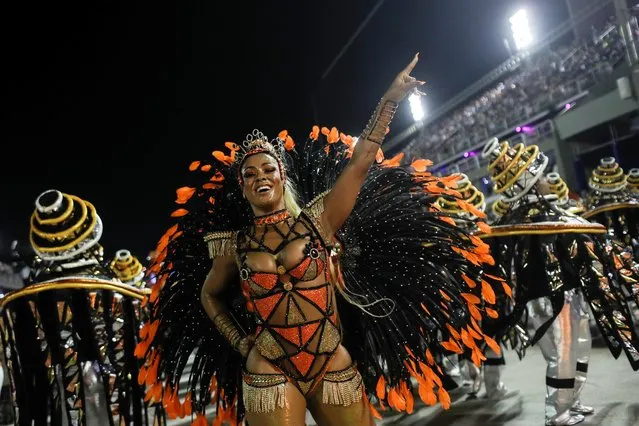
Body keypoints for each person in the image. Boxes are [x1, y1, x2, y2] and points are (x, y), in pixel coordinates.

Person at [136, 55, 509, 425]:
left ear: (283, 177)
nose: (260, 177)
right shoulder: (232, 245)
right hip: (269, 370)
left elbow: (360, 162)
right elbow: (209, 294)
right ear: (243, 185)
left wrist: (390, 100)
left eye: (268, 169)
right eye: (250, 174)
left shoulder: (319, 221)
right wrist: (240, 342)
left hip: (331, 362)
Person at [480, 139, 639, 426]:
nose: (544, 181)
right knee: (562, 353)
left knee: (581, 347)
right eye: (539, 177)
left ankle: (573, 401)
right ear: (528, 182)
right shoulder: (522, 220)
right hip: (548, 300)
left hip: (570, 294)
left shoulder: (551, 214)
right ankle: (557, 411)